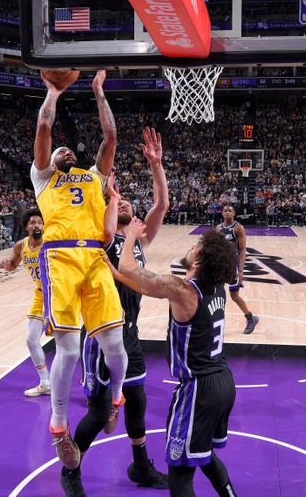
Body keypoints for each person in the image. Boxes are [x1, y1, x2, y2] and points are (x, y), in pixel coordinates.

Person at [62, 128, 169, 495]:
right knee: (97, 412)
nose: (124, 204)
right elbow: (116, 258)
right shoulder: (102, 236)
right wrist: (109, 198)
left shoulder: (137, 237)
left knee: (138, 401)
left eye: (127, 202)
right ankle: (71, 472)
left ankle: (140, 466)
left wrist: (156, 165)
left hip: (131, 333)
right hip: (100, 331)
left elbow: (162, 206)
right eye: (119, 202)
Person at [31, 69, 128, 471]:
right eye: (61, 152)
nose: (66, 152)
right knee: (69, 348)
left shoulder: (93, 176)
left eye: (71, 150)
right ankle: (58, 426)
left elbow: (111, 138)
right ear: (49, 162)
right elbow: (43, 128)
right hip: (60, 260)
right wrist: (53, 93)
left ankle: (116, 398)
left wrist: (98, 91)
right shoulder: (42, 179)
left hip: (95, 258)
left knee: (115, 346)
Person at [119, 220, 238, 497]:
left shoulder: (184, 290)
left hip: (198, 389)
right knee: (204, 454)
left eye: (196, 247)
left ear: (198, 263)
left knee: (179, 472)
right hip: (222, 381)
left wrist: (131, 237)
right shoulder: (215, 285)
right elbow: (145, 286)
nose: (192, 246)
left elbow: (130, 268)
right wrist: (113, 271)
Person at [0, 208, 53, 397]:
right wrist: (7, 265)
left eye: (39, 221)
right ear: (26, 227)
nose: (36, 225)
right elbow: (13, 265)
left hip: (59, 294)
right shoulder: (21, 246)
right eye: (32, 222)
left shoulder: (52, 240)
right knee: (31, 339)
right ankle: (46, 382)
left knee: (65, 341)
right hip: (40, 295)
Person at [217, 204, 259, 334]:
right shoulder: (218, 228)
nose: (228, 213)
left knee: (234, 296)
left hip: (232, 265)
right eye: (225, 211)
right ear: (222, 213)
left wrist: (241, 270)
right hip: (220, 266)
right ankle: (214, 321)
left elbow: (242, 250)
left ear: (234, 213)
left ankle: (250, 318)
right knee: (216, 293)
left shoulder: (238, 228)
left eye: (230, 211)